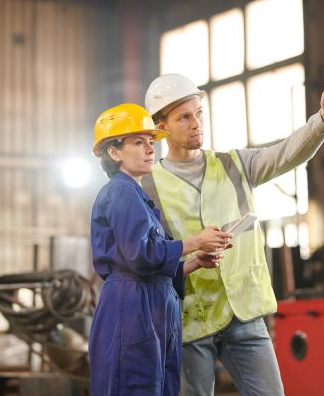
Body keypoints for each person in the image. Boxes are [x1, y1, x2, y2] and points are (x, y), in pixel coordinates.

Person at [141, 73, 324, 396]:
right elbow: (150, 254)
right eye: (184, 117)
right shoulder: (148, 187)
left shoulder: (235, 165)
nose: (196, 123)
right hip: (190, 320)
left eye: (199, 113)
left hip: (245, 313)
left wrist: (322, 120)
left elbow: (286, 154)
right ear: (161, 127)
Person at [88, 103, 231, 396]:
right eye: (138, 142)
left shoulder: (137, 196)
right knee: (134, 386)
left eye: (151, 142)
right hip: (132, 309)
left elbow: (149, 263)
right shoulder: (121, 190)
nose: (150, 149)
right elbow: (140, 255)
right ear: (114, 152)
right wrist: (195, 241)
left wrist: (193, 262)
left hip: (149, 305)